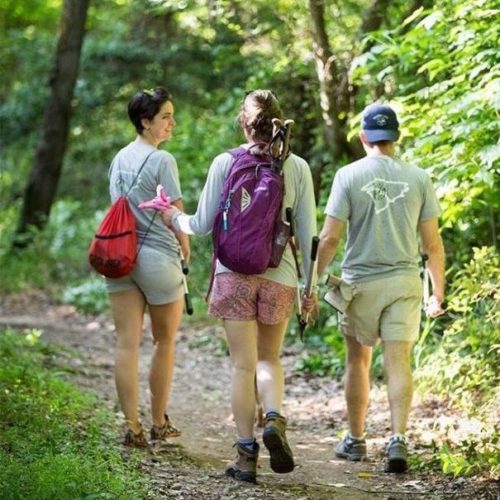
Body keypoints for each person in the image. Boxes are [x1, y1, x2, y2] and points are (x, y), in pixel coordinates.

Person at [161, 90, 317, 483]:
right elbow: (308, 233)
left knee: (242, 364)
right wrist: (309, 287)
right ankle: (275, 417)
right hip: (278, 274)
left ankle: (245, 457)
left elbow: (199, 224)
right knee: (269, 359)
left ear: (243, 123)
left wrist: (171, 217)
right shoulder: (296, 166)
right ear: (279, 121)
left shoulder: (226, 161)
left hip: (233, 274)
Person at [314, 103, 445, 473]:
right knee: (398, 360)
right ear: (396, 137)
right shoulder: (418, 177)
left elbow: (329, 238)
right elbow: (432, 245)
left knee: (358, 360)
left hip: (361, 284)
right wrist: (437, 292)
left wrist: (312, 280)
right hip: (404, 283)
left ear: (363, 137)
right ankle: (398, 439)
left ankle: (355, 440)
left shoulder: (348, 175)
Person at [105, 87, 190, 448]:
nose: (172, 123)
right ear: (146, 122)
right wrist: (186, 250)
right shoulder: (162, 161)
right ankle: (158, 423)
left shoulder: (118, 158)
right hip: (158, 260)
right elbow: (176, 214)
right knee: (164, 341)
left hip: (119, 257)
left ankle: (132, 427)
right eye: (165, 117)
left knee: (127, 344)